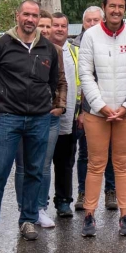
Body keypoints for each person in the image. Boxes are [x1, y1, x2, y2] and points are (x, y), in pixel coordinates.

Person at [0, 0, 65, 243]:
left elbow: (53, 81)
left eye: (34, 15)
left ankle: (27, 220)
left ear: (38, 19)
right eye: (26, 14)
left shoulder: (47, 48)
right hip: (9, 119)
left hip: (39, 119)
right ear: (18, 15)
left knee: (34, 172)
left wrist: (46, 103)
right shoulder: (2, 45)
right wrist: (2, 102)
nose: (30, 19)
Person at [78, 0, 126, 237]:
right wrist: (100, 105)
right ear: (104, 7)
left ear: (125, 9)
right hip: (98, 112)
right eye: (112, 6)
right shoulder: (91, 36)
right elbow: (85, 73)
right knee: (96, 164)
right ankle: (89, 215)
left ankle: (125, 216)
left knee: (122, 163)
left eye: (120, 6)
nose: (116, 10)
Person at [13, 10, 67, 228]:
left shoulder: (55, 50)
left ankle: (39, 207)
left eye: (48, 26)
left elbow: (62, 81)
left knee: (43, 166)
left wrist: (60, 106)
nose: (44, 30)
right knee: (22, 166)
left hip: (48, 116)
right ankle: (23, 208)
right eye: (41, 25)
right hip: (20, 115)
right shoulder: (20, 47)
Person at [73, 6, 117, 212]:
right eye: (88, 20)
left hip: (111, 107)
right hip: (87, 108)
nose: (91, 24)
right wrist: (81, 110)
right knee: (85, 153)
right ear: (83, 23)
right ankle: (83, 192)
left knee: (110, 153)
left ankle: (110, 191)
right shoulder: (75, 45)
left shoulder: (110, 41)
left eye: (95, 20)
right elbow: (79, 81)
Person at [49, 12, 79, 217]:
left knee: (65, 163)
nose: (59, 29)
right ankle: (37, 204)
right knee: (39, 165)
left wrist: (82, 111)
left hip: (69, 117)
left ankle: (63, 201)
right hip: (43, 115)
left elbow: (83, 83)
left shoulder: (76, 52)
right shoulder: (42, 49)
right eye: (55, 25)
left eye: (63, 26)